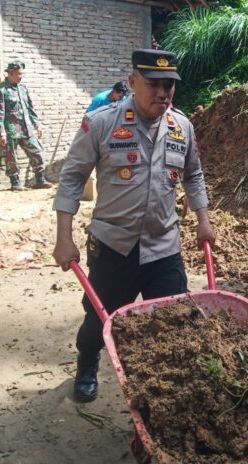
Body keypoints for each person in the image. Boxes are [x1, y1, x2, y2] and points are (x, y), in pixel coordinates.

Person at [52, 48, 216, 403]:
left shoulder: (181, 126)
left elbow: (194, 175)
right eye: (153, 84)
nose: (163, 93)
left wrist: (204, 220)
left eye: (169, 85)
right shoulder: (101, 123)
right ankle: (87, 363)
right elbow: (71, 178)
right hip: (114, 246)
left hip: (164, 246)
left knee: (173, 321)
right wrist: (63, 238)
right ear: (132, 82)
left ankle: (166, 385)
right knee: (101, 317)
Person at [0, 61, 52, 191]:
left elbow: (30, 108)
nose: (21, 76)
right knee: (11, 156)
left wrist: (37, 125)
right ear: (10, 73)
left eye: (21, 73)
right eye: (19, 74)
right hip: (10, 129)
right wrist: (1, 132)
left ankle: (40, 180)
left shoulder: (23, 89)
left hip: (26, 128)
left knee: (37, 151)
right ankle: (15, 183)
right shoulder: (0, 90)